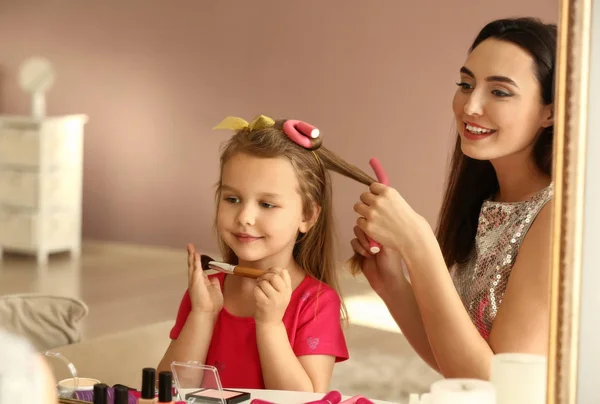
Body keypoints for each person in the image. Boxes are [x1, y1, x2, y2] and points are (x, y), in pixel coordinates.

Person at [350, 17, 556, 380]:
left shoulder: (559, 215)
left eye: (500, 91)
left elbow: (499, 386)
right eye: (465, 84)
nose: (470, 106)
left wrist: (419, 246)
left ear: (550, 111)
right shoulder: (486, 197)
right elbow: (456, 361)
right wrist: (392, 283)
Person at [158, 115, 376, 392]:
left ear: (307, 215)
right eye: (232, 199)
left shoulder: (317, 303)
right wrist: (201, 314)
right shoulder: (206, 294)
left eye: (267, 204)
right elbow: (165, 391)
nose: (245, 217)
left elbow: (304, 401)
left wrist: (270, 325)